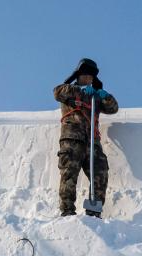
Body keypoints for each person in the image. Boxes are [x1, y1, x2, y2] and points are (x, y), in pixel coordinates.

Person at [53, 58, 119, 217]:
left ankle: (94, 212)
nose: (90, 78)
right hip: (72, 140)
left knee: (101, 172)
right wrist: (80, 91)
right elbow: (57, 92)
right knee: (69, 174)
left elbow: (113, 108)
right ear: (80, 74)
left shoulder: (95, 97)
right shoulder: (69, 90)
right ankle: (67, 211)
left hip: (92, 143)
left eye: (92, 76)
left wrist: (104, 95)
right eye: (87, 75)